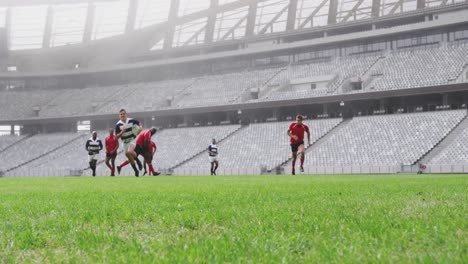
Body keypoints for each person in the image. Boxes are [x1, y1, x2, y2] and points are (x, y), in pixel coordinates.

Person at [115, 109, 143, 177]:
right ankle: (136, 171)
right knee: (128, 156)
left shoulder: (131, 120)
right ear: (119, 116)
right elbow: (116, 137)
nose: (122, 115)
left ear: (126, 114)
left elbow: (139, 123)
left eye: (123, 114)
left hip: (132, 140)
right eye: (121, 114)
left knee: (130, 151)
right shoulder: (118, 125)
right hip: (124, 143)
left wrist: (140, 127)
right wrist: (122, 132)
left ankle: (138, 162)